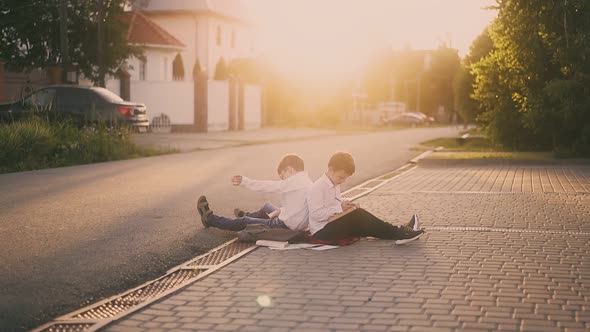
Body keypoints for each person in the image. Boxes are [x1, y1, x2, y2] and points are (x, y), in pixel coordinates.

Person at [307, 152, 424, 245]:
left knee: (366, 224)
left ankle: (401, 233)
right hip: (321, 231)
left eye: (344, 179)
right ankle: (401, 232)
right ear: (331, 169)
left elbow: (335, 203)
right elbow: (316, 214)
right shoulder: (317, 188)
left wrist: (346, 204)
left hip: (332, 225)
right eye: (341, 177)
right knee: (359, 215)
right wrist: (340, 207)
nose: (342, 181)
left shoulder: (334, 183)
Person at [197, 154, 313, 232]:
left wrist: (246, 181)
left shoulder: (295, 181)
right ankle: (247, 216)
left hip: (283, 225)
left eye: (283, 177)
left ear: (290, 170)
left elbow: (269, 186)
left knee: (245, 222)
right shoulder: (305, 181)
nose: (283, 180)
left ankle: (210, 219)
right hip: (290, 220)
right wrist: (281, 211)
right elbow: (296, 208)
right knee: (267, 207)